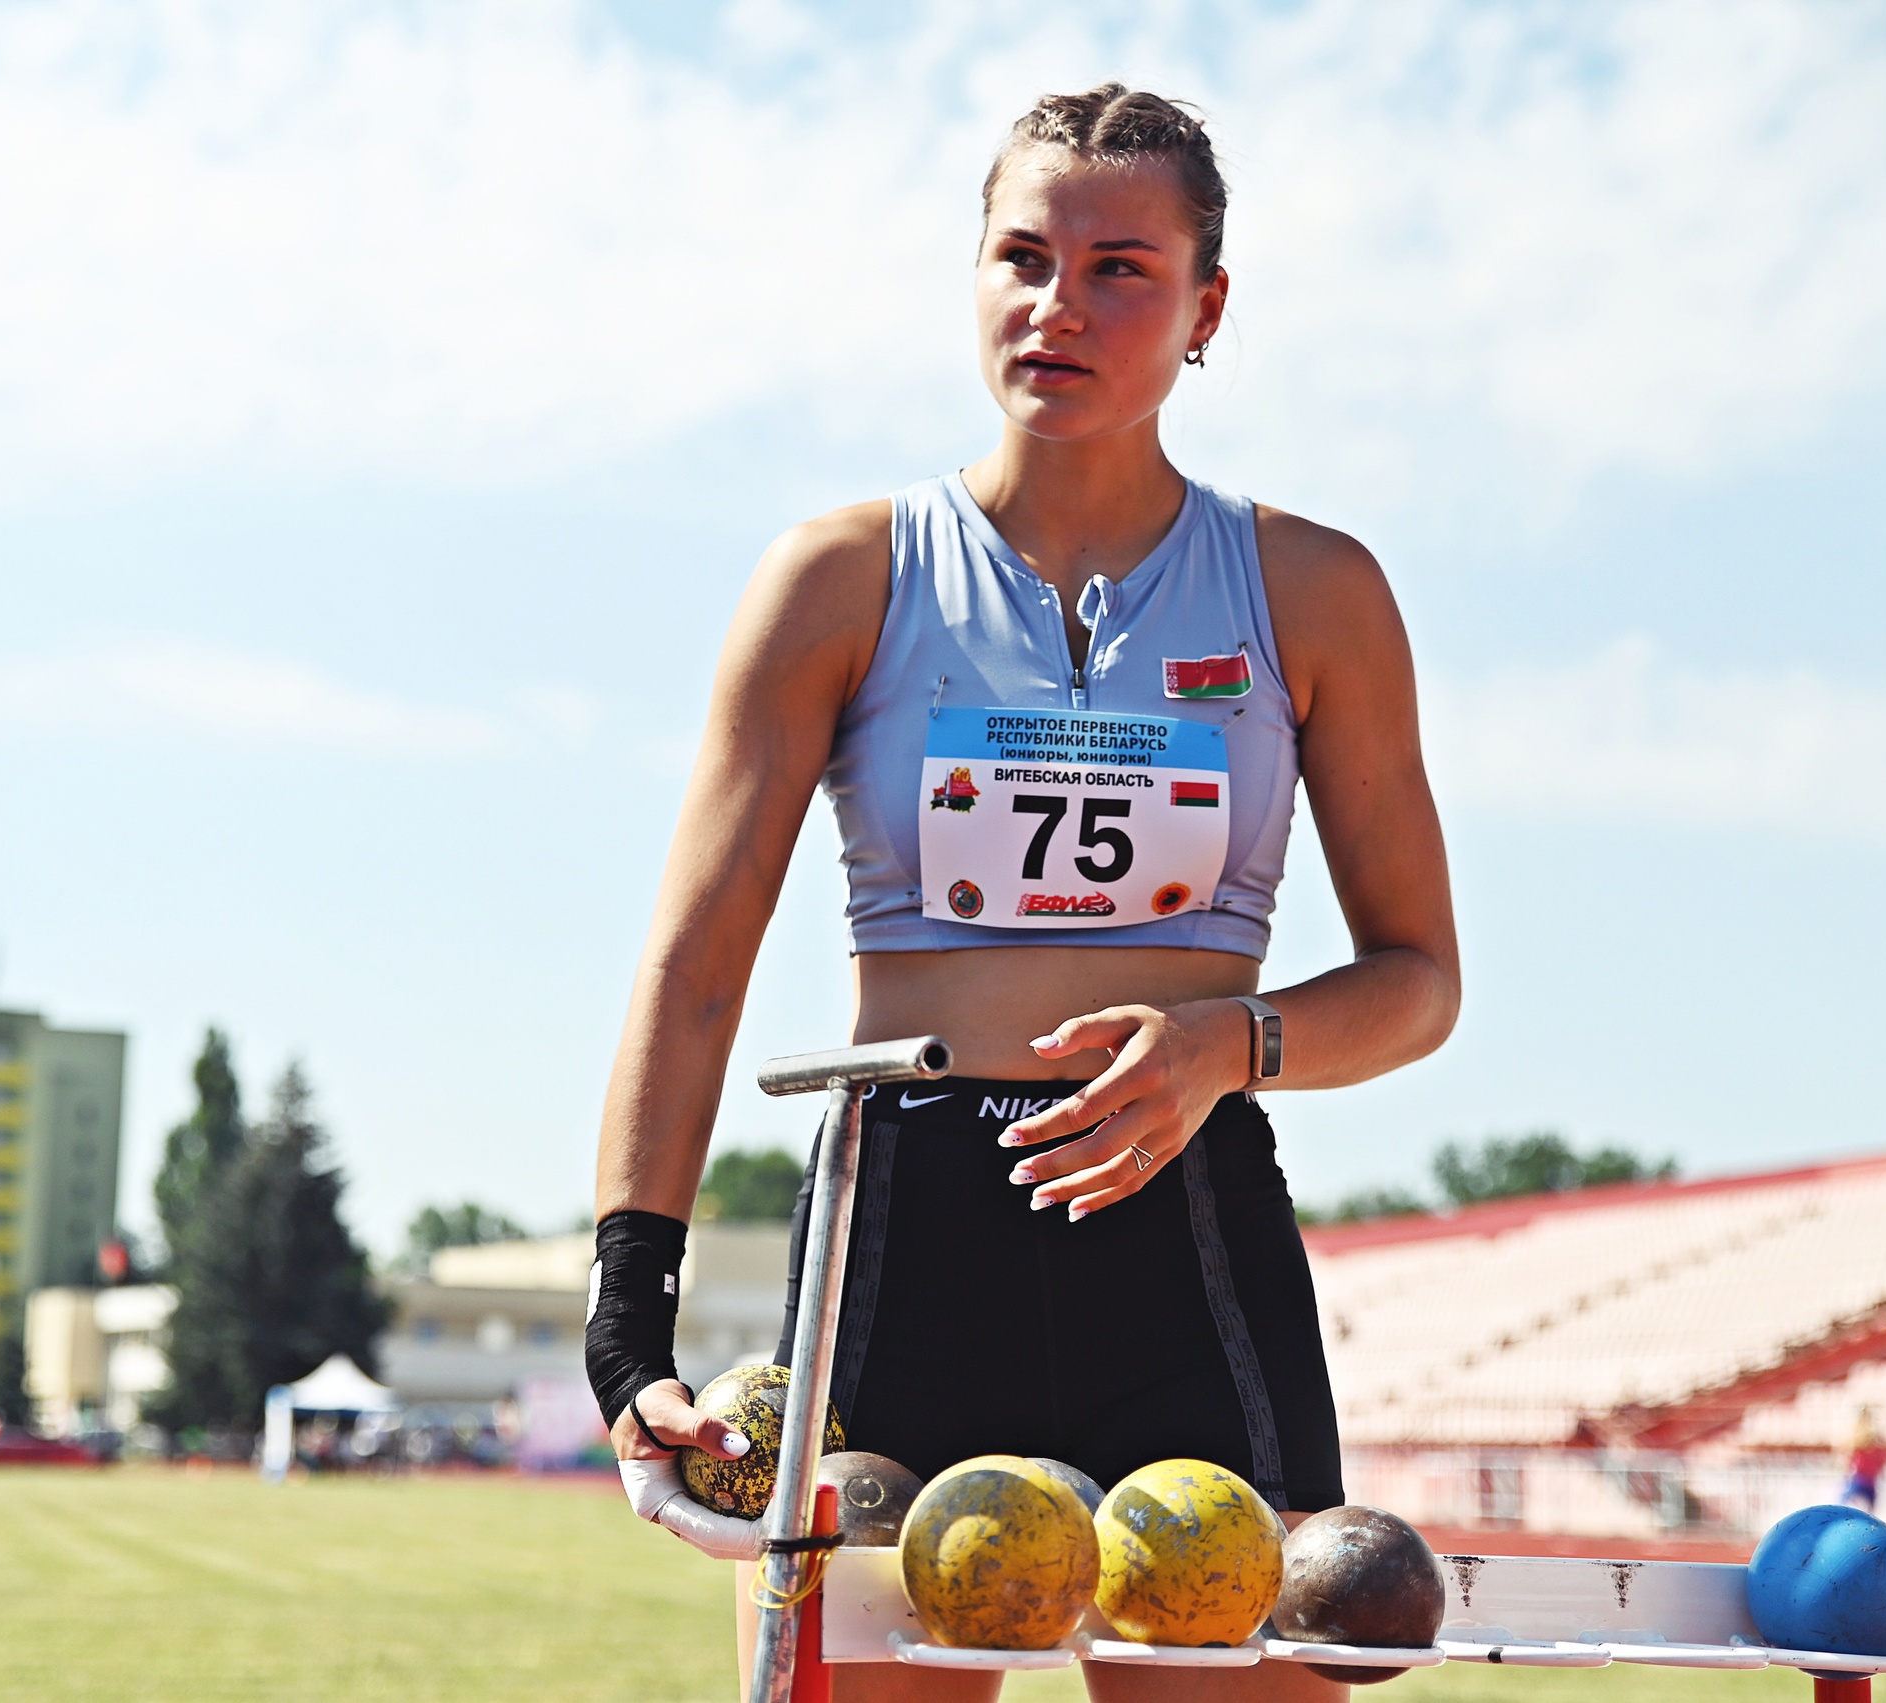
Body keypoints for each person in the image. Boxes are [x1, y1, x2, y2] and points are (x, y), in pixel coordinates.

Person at [587, 83, 1459, 1702]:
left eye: (1122, 267)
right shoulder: (840, 577)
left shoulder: (1314, 592)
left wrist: (1227, 1042)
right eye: (1022, 257)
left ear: (1208, 307)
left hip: (1183, 1231)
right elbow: (694, 966)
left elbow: (1417, 976)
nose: (1060, 305)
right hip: (898, 1241)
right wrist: (627, 1313)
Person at [1840, 1410, 1886, 1512]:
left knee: (1866, 1511)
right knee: (1848, 1505)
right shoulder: (1857, 1438)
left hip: (1868, 1481)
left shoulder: (1875, 1439)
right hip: (1860, 1479)